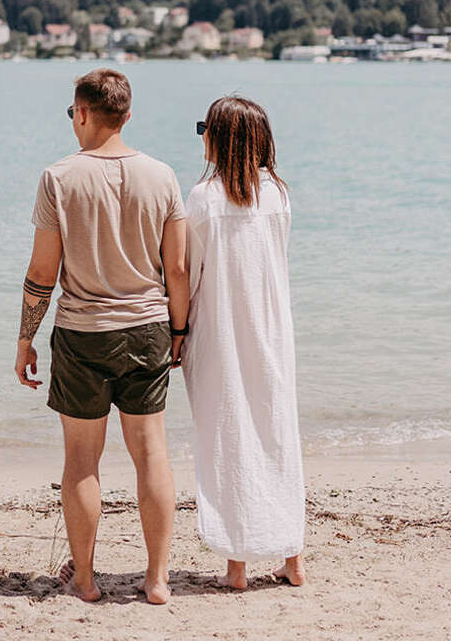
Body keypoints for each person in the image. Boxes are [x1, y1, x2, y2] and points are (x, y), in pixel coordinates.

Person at [14, 68, 189, 605]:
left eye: (72, 114)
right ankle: (157, 579)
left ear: (83, 112)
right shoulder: (162, 176)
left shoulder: (59, 178)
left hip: (83, 335)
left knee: (82, 461)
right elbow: (177, 268)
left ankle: (86, 580)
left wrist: (25, 339)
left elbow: (44, 272)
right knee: (151, 454)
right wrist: (178, 330)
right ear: (127, 116)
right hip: (147, 330)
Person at [180, 95, 305, 591]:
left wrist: (176, 333)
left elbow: (190, 273)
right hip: (273, 329)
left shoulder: (204, 199)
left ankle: (237, 568)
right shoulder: (277, 194)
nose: (201, 136)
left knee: (226, 436)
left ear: (220, 137)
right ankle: (293, 557)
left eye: (203, 128)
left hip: (220, 329)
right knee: (277, 435)